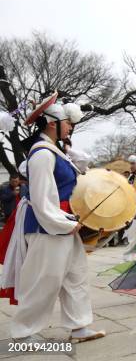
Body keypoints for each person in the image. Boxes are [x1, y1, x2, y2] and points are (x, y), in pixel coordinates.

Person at [6, 93, 105, 342]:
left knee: (75, 274)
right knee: (44, 279)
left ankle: (79, 325)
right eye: (67, 123)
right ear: (52, 123)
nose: (70, 126)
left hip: (61, 223)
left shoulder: (53, 150)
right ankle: (24, 333)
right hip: (46, 226)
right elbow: (41, 199)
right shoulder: (41, 154)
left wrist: (69, 221)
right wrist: (64, 223)